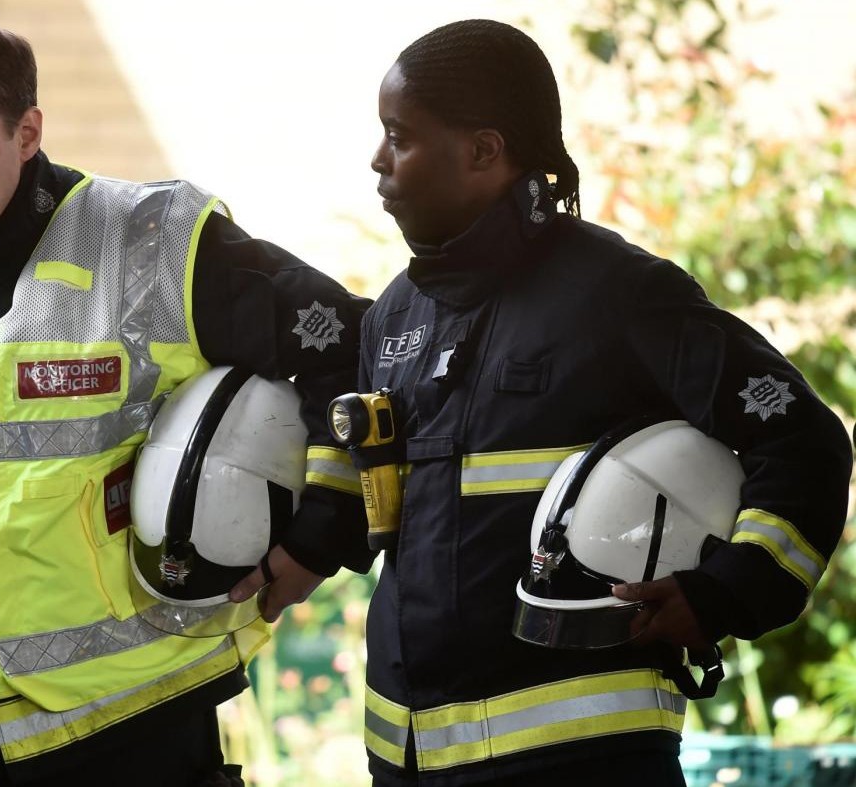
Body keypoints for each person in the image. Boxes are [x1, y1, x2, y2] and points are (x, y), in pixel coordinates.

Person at [0, 12, 374, 786]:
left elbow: (349, 349)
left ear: (27, 132)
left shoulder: (154, 241)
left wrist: (321, 536)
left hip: (131, 713)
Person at [337, 18, 854, 787]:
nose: (377, 159)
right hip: (410, 762)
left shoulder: (617, 294)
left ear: (484, 150)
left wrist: (726, 591)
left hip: (583, 760)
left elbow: (804, 440)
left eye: (400, 136)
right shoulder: (393, 318)